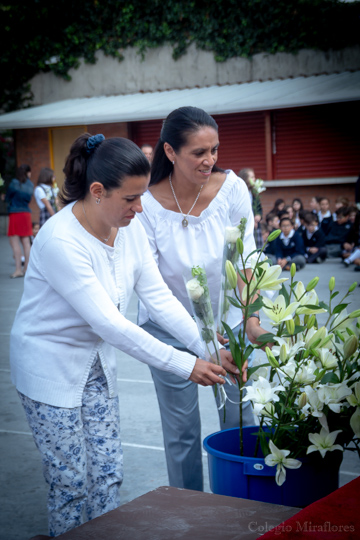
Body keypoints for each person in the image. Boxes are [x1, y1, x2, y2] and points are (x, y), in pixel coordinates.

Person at [9, 133, 237, 537]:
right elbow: (111, 325)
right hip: (50, 370)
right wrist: (188, 365)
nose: (140, 207)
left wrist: (209, 348)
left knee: (108, 471)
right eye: (131, 198)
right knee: (71, 482)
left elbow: (161, 298)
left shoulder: (127, 227)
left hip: (95, 365)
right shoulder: (62, 240)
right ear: (98, 191)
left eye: (142, 194)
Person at [136, 106, 268, 493]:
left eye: (215, 150)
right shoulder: (145, 205)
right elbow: (153, 288)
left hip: (231, 323)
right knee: (182, 433)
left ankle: (247, 501)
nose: (209, 160)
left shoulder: (233, 189)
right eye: (198, 152)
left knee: (241, 420)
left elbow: (246, 258)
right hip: (169, 327)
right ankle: (188, 514)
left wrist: (251, 319)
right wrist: (198, 342)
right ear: (171, 152)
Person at [5, 164, 34, 278]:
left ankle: (18, 270)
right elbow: (28, 198)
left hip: (15, 213)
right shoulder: (30, 184)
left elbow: (8, 197)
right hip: (26, 213)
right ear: (27, 173)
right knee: (26, 243)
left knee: (14, 242)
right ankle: (26, 268)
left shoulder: (14, 183)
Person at [238, 167, 263, 249]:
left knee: (256, 245)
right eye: (252, 177)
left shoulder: (253, 192)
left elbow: (258, 207)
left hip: (255, 225)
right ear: (245, 178)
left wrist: (258, 215)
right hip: (244, 223)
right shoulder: (239, 192)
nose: (254, 179)